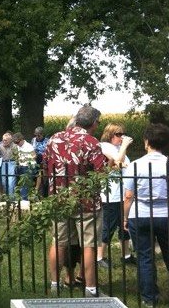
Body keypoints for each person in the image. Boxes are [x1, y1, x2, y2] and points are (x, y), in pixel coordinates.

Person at [44, 105, 107, 297]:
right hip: (86, 203)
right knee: (89, 245)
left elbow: (46, 167)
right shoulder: (91, 142)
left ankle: (55, 284)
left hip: (59, 200)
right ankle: (90, 288)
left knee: (58, 241)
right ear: (94, 123)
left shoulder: (54, 138)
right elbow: (101, 174)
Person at [122, 123, 169, 307]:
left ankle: (149, 299)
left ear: (147, 141)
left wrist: (126, 218)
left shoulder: (135, 165)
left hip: (140, 213)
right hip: (166, 213)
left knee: (145, 257)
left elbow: (128, 196)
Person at [96, 123, 135, 268]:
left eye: (123, 134)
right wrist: (124, 145)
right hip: (110, 194)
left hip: (122, 194)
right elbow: (119, 160)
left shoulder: (119, 148)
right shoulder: (105, 146)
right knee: (108, 226)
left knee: (124, 226)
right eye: (119, 135)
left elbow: (123, 163)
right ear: (110, 135)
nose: (121, 137)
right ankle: (100, 257)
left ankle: (126, 255)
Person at [0, 132, 18, 198]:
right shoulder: (0, 146)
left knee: (11, 182)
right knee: (3, 181)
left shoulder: (14, 146)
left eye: (5, 140)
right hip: (3, 164)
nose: (3, 141)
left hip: (12, 164)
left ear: (10, 140)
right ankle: (7, 197)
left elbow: (18, 155)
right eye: (3, 139)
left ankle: (11, 199)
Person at [13, 132, 36, 201]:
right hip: (20, 166)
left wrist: (27, 158)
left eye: (17, 142)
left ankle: (24, 199)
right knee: (21, 183)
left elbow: (34, 155)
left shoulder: (28, 146)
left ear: (22, 139)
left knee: (25, 184)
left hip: (27, 166)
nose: (16, 144)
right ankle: (23, 198)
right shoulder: (18, 146)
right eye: (15, 142)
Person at [30, 126, 49, 197]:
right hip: (35, 159)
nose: (37, 137)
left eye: (39, 135)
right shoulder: (33, 140)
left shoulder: (47, 140)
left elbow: (48, 151)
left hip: (44, 160)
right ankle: (35, 191)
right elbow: (31, 150)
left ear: (42, 134)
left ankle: (39, 191)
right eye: (36, 135)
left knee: (42, 174)